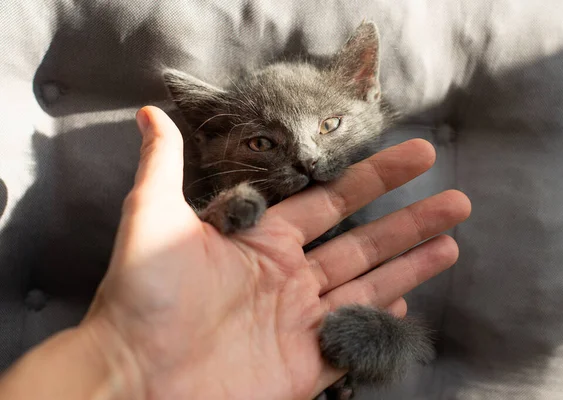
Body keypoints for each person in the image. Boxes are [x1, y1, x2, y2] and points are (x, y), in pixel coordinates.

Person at [0, 106, 471, 399]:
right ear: (207, 144)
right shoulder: (215, 232)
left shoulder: (368, 242)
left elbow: (397, 349)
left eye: (328, 124)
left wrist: (383, 341)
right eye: (263, 141)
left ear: (368, 95)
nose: (307, 154)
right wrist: (127, 358)